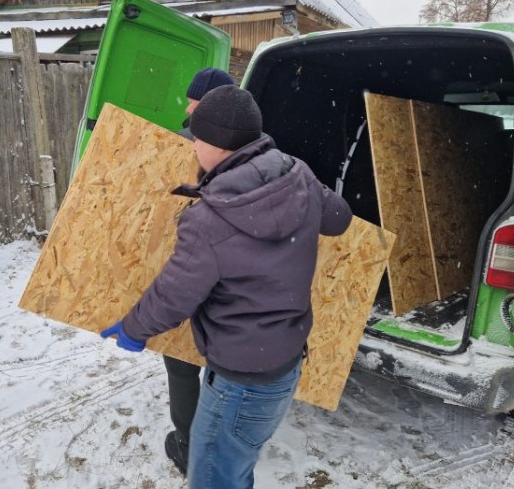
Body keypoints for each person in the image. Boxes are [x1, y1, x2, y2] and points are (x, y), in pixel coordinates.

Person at [102, 86, 352, 489]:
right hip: (284, 363)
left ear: (217, 144)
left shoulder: (210, 220)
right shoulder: (297, 173)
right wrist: (305, 192)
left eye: (197, 139)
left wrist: (133, 330)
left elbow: (172, 296)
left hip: (240, 382)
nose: (193, 147)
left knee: (214, 477)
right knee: (234, 467)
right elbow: (339, 219)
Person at [164, 66, 235, 475]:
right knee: (221, 360)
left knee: (181, 361)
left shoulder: (182, 145)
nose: (186, 107)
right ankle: (217, 439)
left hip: (187, 269)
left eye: (193, 100)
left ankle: (189, 447)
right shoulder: (253, 146)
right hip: (231, 276)